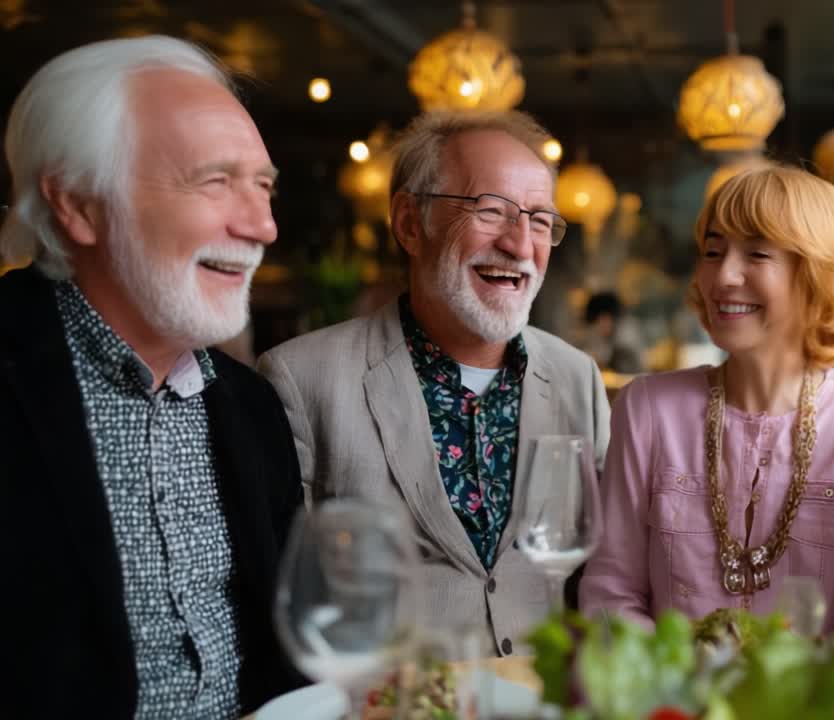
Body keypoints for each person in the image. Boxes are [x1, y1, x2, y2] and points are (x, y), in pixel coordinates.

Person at [0, 36, 302, 719]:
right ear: (78, 204)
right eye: (215, 181)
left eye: (264, 187)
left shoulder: (252, 405)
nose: (264, 226)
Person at [257, 110, 610, 657]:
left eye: (540, 220)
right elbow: (286, 595)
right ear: (409, 223)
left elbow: (603, 572)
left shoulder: (576, 376)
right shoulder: (300, 379)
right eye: (491, 211)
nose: (520, 245)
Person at [579, 165, 834, 631]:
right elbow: (610, 592)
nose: (723, 276)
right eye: (712, 251)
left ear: (816, 273)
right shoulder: (648, 409)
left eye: (757, 254)